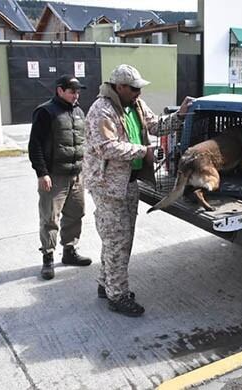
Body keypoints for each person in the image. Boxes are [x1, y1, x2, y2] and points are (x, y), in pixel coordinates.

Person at [84, 64, 193, 317]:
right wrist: (144, 151)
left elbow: (156, 126)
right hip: (108, 186)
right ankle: (117, 295)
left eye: (139, 89)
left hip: (130, 182)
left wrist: (181, 115)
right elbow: (107, 148)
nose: (138, 93)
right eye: (134, 89)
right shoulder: (101, 110)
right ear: (118, 87)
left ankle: (107, 283)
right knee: (117, 240)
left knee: (120, 238)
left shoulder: (136, 105)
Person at [28, 75, 92, 280]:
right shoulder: (46, 112)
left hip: (76, 175)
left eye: (78, 91)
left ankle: (69, 251)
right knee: (50, 219)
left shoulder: (79, 112)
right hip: (54, 176)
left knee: (76, 214)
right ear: (60, 91)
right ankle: (48, 258)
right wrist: (42, 173)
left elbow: (82, 143)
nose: (76, 95)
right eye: (72, 91)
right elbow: (35, 145)